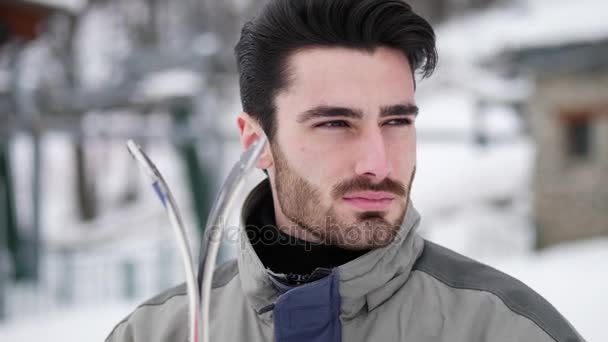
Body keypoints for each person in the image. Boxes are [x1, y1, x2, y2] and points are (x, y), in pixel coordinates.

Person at [106, 0, 584, 341]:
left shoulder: (507, 330)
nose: (377, 162)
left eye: (396, 121)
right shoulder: (157, 333)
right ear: (256, 144)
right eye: (335, 123)